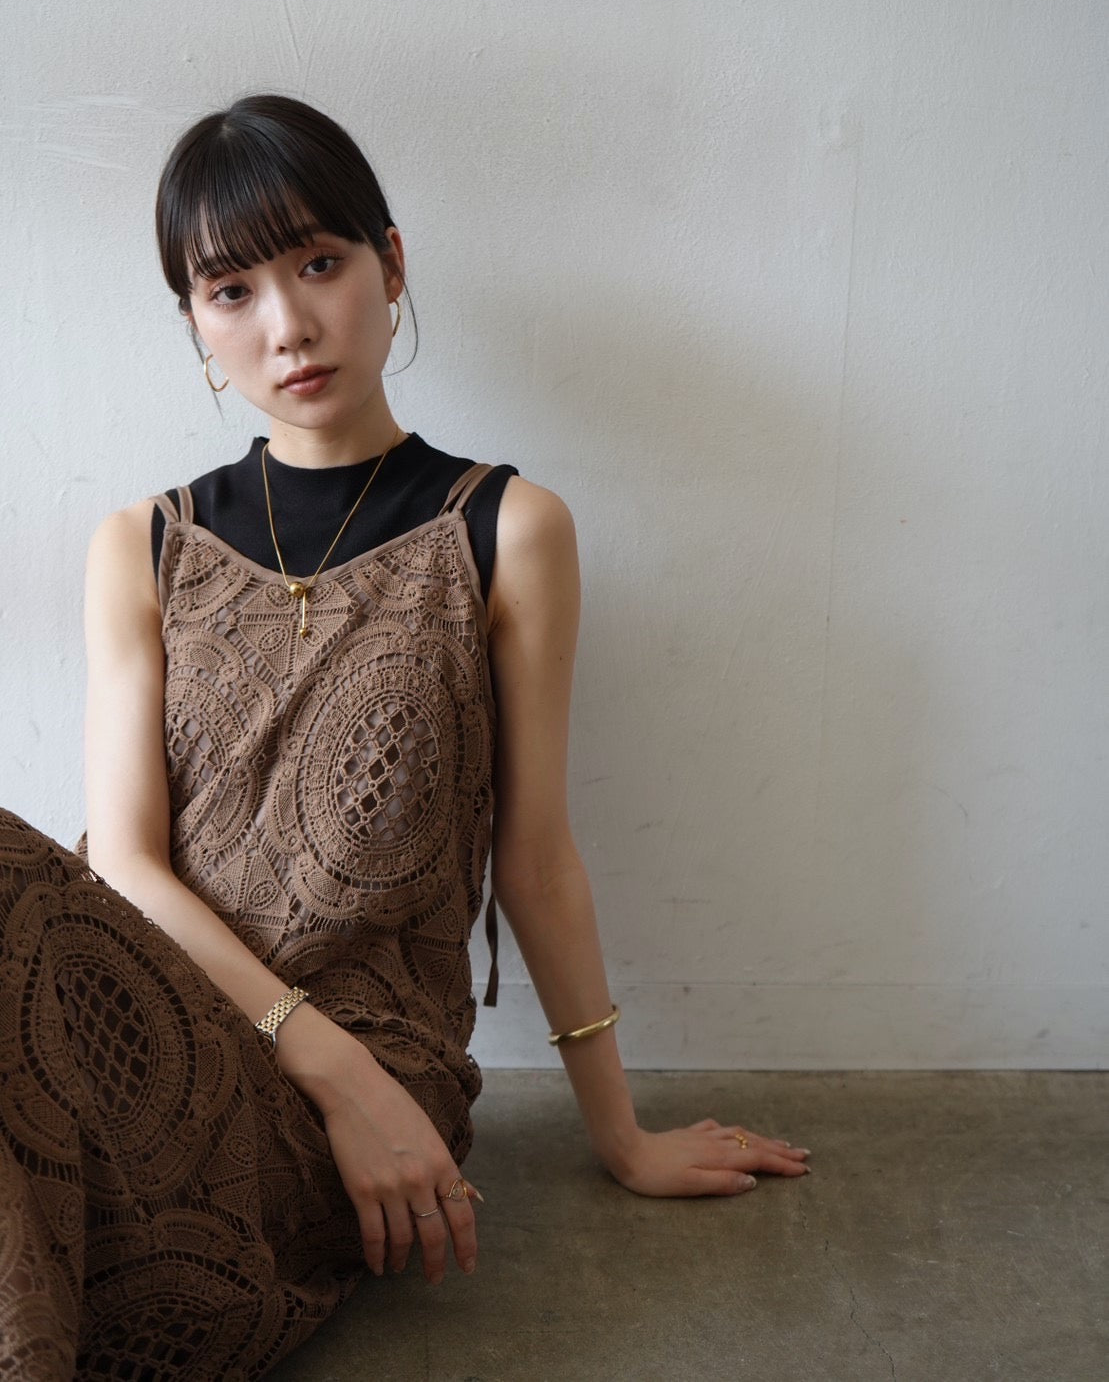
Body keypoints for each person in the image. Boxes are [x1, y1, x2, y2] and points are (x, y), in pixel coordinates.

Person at [0, 94, 811, 1380]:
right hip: (167, 1028)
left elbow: (536, 857)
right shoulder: (141, 545)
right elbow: (130, 869)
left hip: (381, 1081)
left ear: (390, 263)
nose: (287, 324)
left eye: (318, 263)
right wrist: (319, 1056)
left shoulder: (506, 530)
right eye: (231, 291)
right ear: (195, 324)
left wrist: (621, 1135)